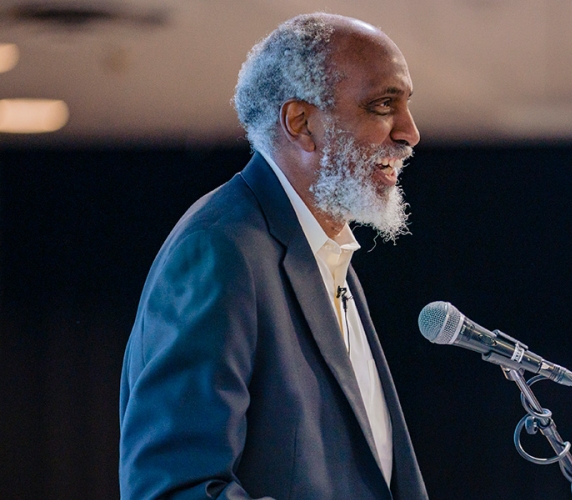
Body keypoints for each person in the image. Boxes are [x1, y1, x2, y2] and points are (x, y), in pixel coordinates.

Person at [119, 13, 427, 500]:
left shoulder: (323, 252)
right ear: (301, 123)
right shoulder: (221, 249)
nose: (409, 132)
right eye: (383, 104)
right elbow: (174, 488)